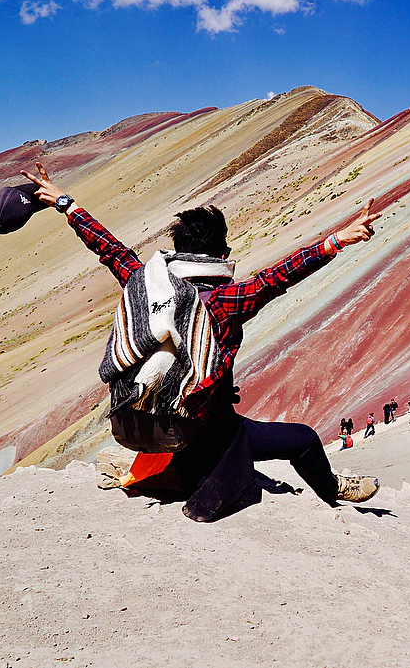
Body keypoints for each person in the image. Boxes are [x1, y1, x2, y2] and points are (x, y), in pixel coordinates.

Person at [20, 162, 382, 521]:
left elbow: (111, 250)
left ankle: (181, 472)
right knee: (301, 438)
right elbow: (276, 278)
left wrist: (66, 204)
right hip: (199, 427)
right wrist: (336, 241)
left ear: (177, 250)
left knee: (215, 444)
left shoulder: (147, 284)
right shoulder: (224, 300)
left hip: (143, 422)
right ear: (222, 256)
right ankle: (332, 487)